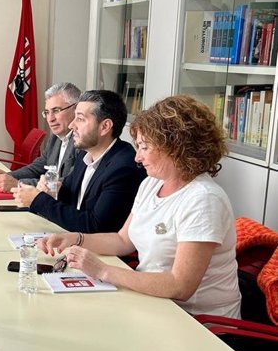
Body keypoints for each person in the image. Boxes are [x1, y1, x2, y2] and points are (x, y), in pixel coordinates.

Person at [39, 95, 241, 318]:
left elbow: (180, 286)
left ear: (175, 147)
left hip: (198, 323)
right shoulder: (151, 183)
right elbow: (123, 240)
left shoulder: (203, 200)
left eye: (144, 147)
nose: (137, 157)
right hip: (152, 303)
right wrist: (75, 238)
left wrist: (103, 270)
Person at [12, 89, 146, 233]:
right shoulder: (85, 154)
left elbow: (94, 226)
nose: (71, 125)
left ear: (105, 127)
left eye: (80, 119)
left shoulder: (123, 167)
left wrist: (38, 200)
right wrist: (52, 190)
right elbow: (70, 194)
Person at [0, 82, 80, 192]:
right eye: (47, 112)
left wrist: (18, 184)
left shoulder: (83, 142)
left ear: (76, 109)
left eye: (56, 111)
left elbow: (68, 182)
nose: (50, 119)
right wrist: (10, 176)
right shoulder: (55, 137)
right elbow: (38, 166)